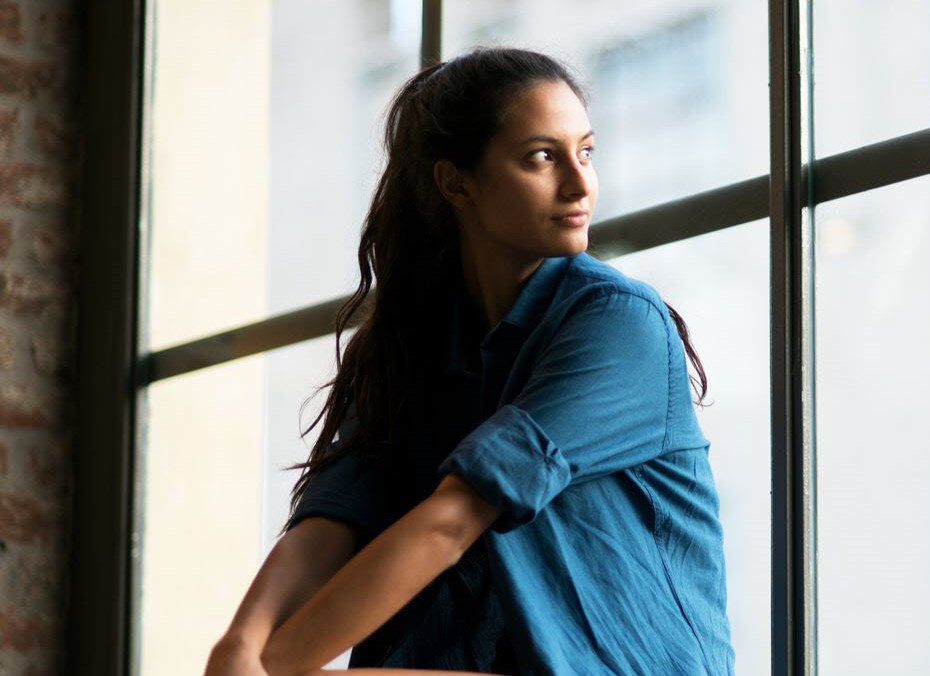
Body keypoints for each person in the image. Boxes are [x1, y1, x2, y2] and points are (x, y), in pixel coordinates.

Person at [204, 47, 734, 676]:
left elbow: (453, 518)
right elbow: (333, 515)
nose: (580, 182)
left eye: (586, 152)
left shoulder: (617, 322)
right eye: (542, 156)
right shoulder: (412, 346)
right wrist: (241, 643)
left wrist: (276, 667)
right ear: (456, 183)